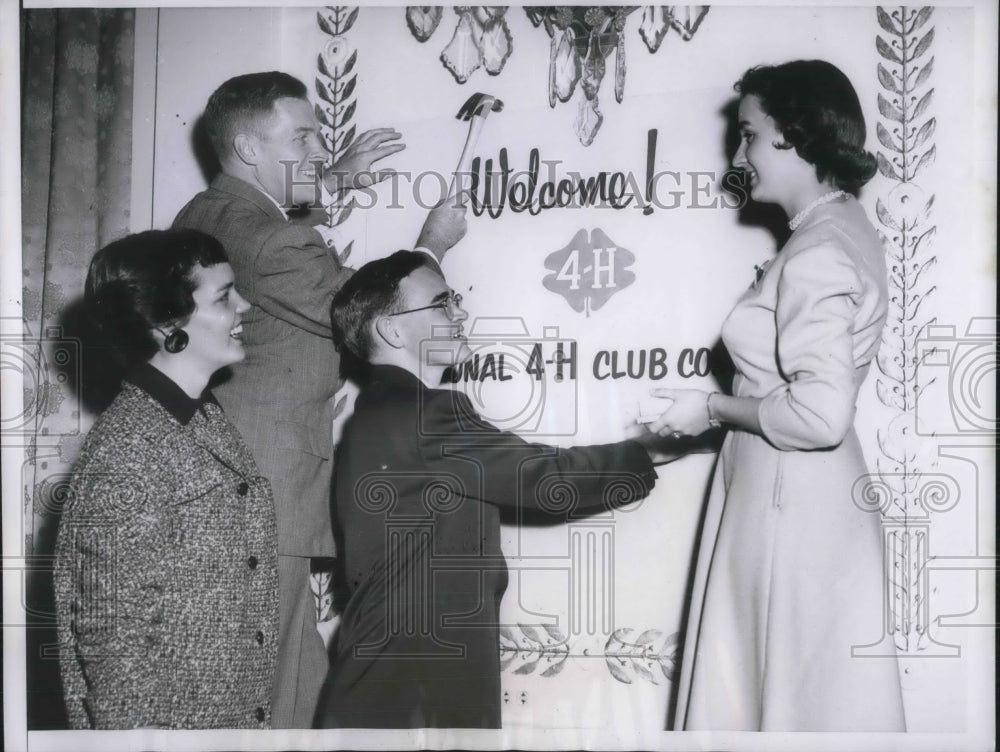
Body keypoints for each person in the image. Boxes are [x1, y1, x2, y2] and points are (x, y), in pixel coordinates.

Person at [172, 71, 467, 727]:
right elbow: (367, 311)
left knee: (295, 672)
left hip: (236, 474)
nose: (319, 148)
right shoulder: (276, 243)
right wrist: (433, 244)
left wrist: (328, 179)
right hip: (269, 482)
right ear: (249, 148)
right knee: (273, 677)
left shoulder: (202, 214)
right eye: (303, 138)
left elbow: (256, 228)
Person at [314, 251, 680, 728]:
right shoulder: (425, 414)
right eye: (443, 304)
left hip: (397, 681)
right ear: (392, 330)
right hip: (414, 690)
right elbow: (549, 479)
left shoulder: (379, 416)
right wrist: (647, 450)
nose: (460, 312)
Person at [651, 60, 906, 731]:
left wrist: (709, 409)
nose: (741, 155)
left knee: (779, 701)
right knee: (801, 700)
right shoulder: (839, 229)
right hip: (795, 499)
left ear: (798, 135)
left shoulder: (819, 249)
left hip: (789, 505)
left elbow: (819, 415)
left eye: (751, 136)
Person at [54, 229, 278, 729]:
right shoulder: (129, 449)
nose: (244, 306)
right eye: (223, 296)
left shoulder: (200, 417)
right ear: (164, 323)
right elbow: (114, 646)